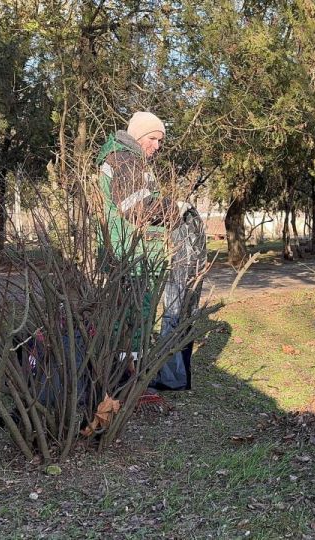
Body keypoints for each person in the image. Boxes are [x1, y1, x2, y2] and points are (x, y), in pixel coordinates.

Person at [96, 111, 206, 392]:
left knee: (133, 316)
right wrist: (175, 208)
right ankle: (127, 381)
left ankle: (126, 378)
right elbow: (137, 207)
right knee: (134, 317)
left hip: (133, 251)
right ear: (139, 135)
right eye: (154, 139)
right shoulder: (124, 160)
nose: (157, 146)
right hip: (131, 254)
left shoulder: (127, 159)